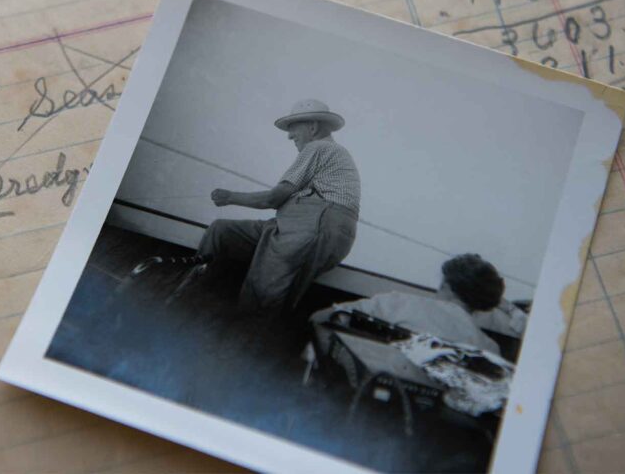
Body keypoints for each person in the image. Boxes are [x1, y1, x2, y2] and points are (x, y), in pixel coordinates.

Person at [194, 98, 360, 312]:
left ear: (313, 127)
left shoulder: (319, 147)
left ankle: (235, 327)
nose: (290, 136)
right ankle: (196, 291)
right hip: (298, 225)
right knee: (221, 230)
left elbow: (273, 199)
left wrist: (229, 197)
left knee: (262, 296)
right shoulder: (332, 155)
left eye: (293, 129)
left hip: (312, 226)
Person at [312, 254, 507, 355]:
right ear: (481, 303)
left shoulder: (396, 302)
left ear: (445, 284)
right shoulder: (489, 348)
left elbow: (319, 317)